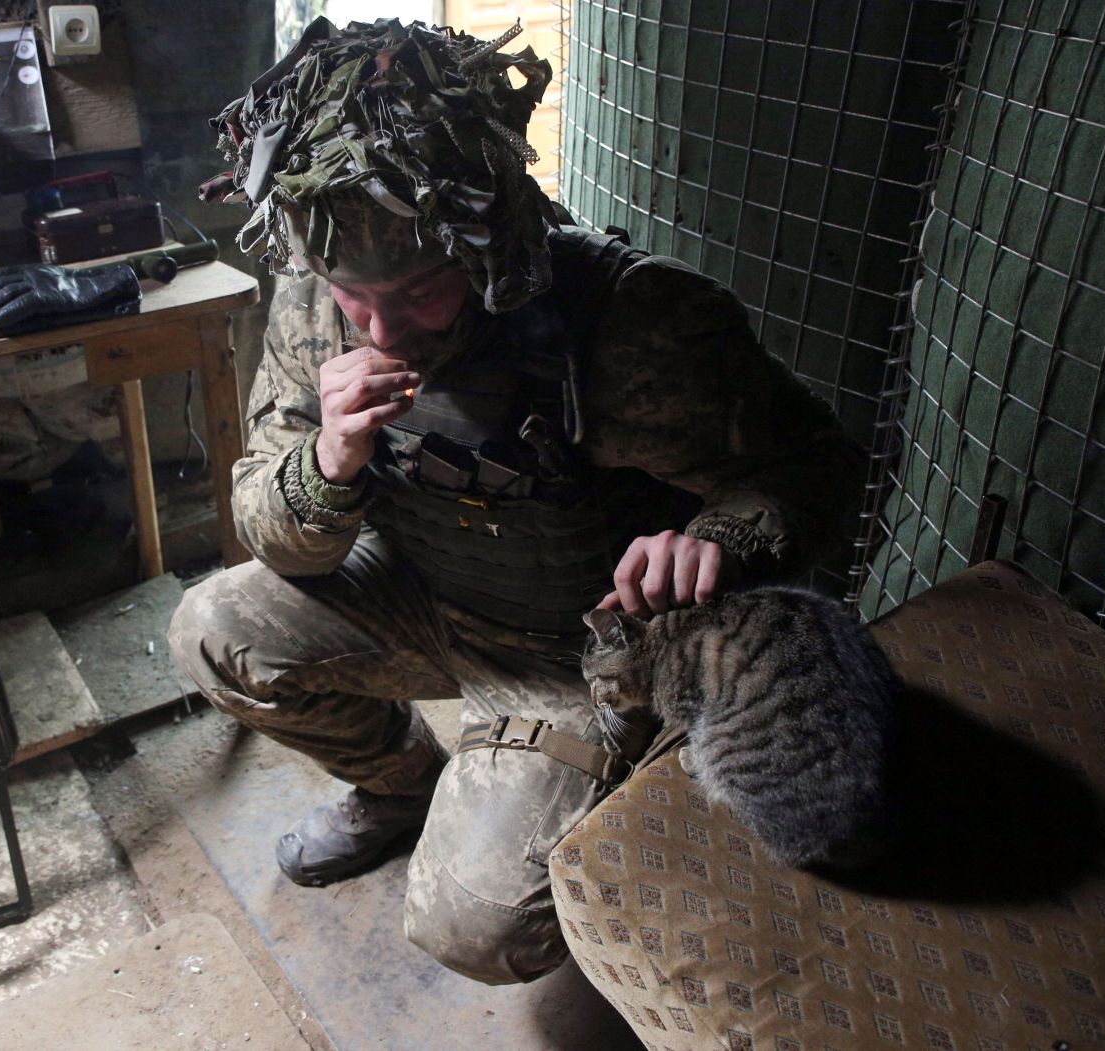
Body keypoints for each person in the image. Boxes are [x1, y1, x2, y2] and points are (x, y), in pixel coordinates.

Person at [168, 18, 863, 986]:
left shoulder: (630, 328)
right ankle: (400, 787)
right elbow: (265, 524)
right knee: (211, 628)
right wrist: (326, 465)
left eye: (419, 292)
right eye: (352, 294)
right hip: (413, 593)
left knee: (476, 925)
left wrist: (715, 542)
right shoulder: (312, 299)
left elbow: (819, 465)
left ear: (485, 238)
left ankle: (604, 777)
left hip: (571, 653)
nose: (381, 327)